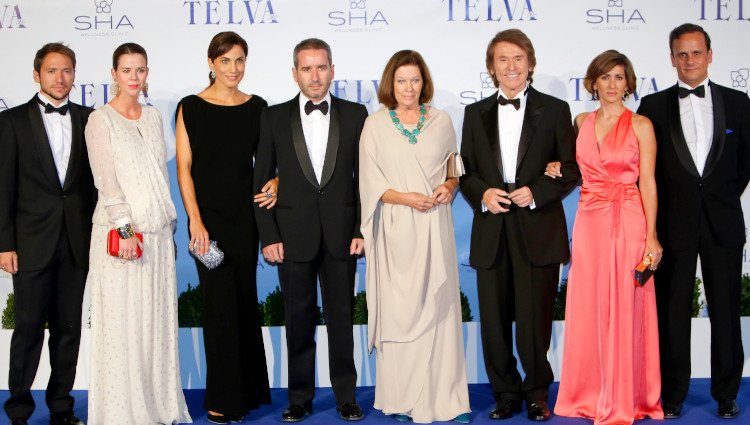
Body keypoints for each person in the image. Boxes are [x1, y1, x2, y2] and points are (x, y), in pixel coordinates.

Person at [459, 29, 579, 422]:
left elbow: (571, 168)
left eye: (517, 58)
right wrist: (484, 194)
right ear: (491, 68)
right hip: (492, 225)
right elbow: (466, 172)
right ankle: (505, 393)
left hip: (537, 224)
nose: (510, 66)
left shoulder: (556, 109)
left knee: (534, 318)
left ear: (530, 63)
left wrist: (538, 191)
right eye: (502, 60)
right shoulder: (474, 113)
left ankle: (536, 393)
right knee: (494, 319)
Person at [637, 23, 750, 419]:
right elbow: (643, 171)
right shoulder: (651, 107)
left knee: (726, 313)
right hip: (672, 226)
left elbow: (743, 166)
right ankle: (672, 396)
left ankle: (727, 394)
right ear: (671, 59)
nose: (689, 60)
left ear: (710, 55)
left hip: (723, 225)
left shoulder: (739, 102)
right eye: (681, 54)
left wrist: (717, 198)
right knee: (671, 316)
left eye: (696, 53)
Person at [253, 38, 366, 423]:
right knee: (297, 320)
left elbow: (362, 181)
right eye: (307, 68)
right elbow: (261, 179)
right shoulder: (273, 116)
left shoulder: (356, 114)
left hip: (340, 236)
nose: (315, 76)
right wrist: (269, 237)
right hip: (292, 236)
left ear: (333, 70)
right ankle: (299, 397)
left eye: (321, 67)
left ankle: (346, 397)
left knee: (341, 320)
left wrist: (360, 229)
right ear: (294, 73)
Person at [549, 50, 664, 425]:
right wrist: (554, 166)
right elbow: (569, 167)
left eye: (619, 77)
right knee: (590, 303)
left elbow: (648, 181)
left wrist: (652, 237)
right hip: (589, 221)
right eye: (605, 77)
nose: (612, 85)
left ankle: (628, 395)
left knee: (627, 301)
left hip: (628, 218)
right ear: (593, 82)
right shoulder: (580, 121)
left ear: (628, 83)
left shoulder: (641, 125)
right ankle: (588, 392)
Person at [359, 50, 471, 424]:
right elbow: (370, 183)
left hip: (434, 226)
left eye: (415, 80)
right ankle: (402, 400)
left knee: (439, 311)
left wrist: (449, 187)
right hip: (394, 231)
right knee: (400, 311)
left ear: (425, 83)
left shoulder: (441, 121)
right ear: (391, 83)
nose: (409, 87)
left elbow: (454, 169)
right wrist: (404, 198)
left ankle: (448, 399)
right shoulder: (374, 125)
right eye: (401, 80)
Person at [84, 42, 191, 424]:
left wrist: (170, 228)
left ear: (147, 74)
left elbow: (160, 177)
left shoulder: (152, 117)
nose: (134, 77)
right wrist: (126, 230)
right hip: (123, 239)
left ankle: (158, 405)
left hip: (159, 237)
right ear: (113, 74)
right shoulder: (100, 120)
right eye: (127, 70)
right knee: (124, 326)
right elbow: (107, 183)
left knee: (155, 327)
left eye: (140, 70)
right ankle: (123, 413)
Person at [175, 31, 277, 425]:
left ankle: (248, 392)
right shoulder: (190, 107)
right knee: (218, 307)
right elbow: (184, 169)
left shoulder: (258, 107)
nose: (233, 69)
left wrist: (279, 183)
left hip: (245, 219)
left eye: (239, 60)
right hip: (208, 222)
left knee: (243, 302)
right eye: (225, 61)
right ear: (211, 63)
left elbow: (270, 161)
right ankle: (222, 397)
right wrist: (195, 221)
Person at [0, 43, 96, 425]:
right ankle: (18, 410)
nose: (61, 78)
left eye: (67, 70)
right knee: (27, 330)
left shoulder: (91, 119)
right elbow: (3, 188)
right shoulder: (12, 122)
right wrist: (4, 243)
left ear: (75, 74)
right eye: (53, 70)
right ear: (37, 74)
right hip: (30, 243)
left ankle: (61, 407)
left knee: (68, 330)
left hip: (76, 241)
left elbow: (96, 185)